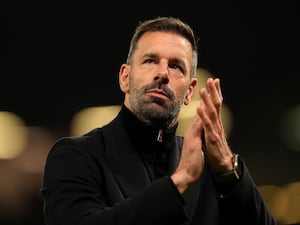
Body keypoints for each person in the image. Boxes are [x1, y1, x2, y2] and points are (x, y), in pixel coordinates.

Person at [41, 16, 277, 225]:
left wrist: (227, 168)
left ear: (189, 92)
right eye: (150, 61)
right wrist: (180, 181)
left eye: (176, 66)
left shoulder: (211, 167)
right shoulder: (76, 156)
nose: (163, 73)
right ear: (125, 77)